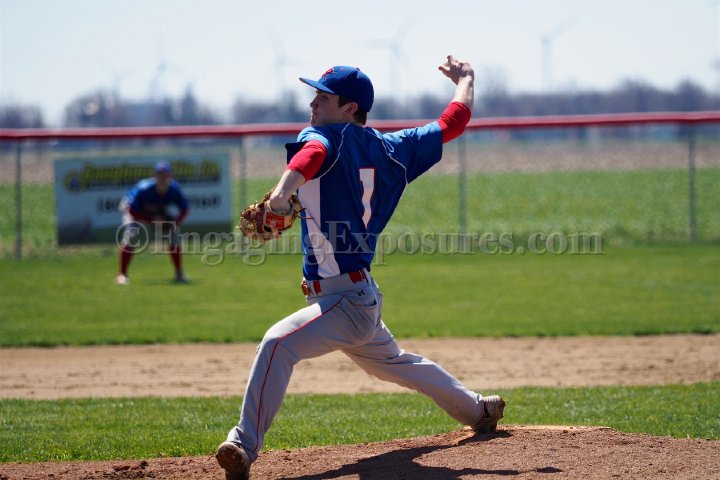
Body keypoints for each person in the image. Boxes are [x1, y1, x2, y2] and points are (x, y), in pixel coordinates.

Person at [215, 55, 505, 480]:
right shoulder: (395, 149)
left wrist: (280, 194)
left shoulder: (324, 135)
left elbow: (312, 154)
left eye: (324, 97)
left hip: (344, 302)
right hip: (357, 296)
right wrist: (466, 79)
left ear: (349, 108)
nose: (313, 103)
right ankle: (479, 411)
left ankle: (242, 445)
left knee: (278, 344)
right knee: (396, 363)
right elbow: (453, 122)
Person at [116, 161, 189, 285]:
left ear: (170, 176)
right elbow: (132, 210)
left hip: (154, 212)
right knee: (132, 235)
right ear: (155, 176)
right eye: (159, 175)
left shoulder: (174, 189)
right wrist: (151, 220)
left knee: (174, 234)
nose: (162, 178)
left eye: (164, 175)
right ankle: (122, 275)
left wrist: (176, 222)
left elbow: (185, 209)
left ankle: (179, 274)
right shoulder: (144, 188)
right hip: (133, 210)